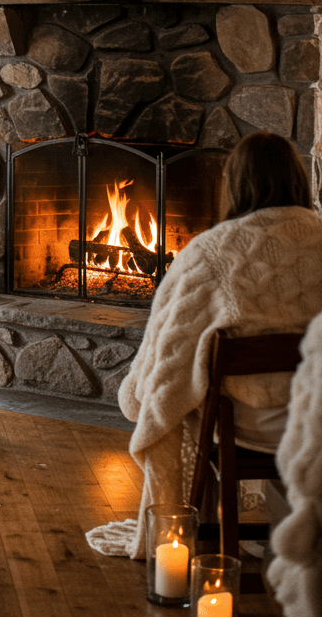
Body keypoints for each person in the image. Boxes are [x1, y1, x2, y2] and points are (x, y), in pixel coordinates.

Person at [92, 132, 322, 560]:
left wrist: (137, 392)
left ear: (234, 185)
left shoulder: (211, 253)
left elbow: (165, 361)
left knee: (188, 398)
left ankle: (191, 538)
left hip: (253, 426)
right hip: (317, 420)